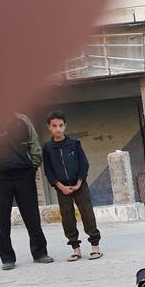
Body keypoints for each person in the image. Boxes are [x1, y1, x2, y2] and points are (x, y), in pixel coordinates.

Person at [0, 113, 54, 270]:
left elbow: (34, 145)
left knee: (32, 216)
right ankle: (7, 258)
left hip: (24, 175)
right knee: (1, 219)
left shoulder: (22, 120)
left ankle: (40, 253)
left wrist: (33, 166)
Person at [41, 110, 102, 261]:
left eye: (61, 125)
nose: (58, 129)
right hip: (62, 188)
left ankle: (95, 247)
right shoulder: (48, 147)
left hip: (79, 185)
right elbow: (48, 170)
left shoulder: (74, 143)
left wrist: (79, 182)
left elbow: (84, 163)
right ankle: (76, 248)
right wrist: (60, 186)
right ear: (49, 127)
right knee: (67, 217)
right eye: (54, 126)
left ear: (65, 126)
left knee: (87, 213)